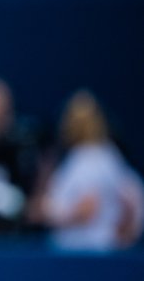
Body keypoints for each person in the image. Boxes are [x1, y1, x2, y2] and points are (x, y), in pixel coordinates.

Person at [31, 88, 144, 251]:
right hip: (98, 249)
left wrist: (48, 214)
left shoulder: (88, 159)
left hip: (83, 252)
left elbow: (88, 209)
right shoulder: (109, 156)